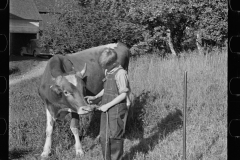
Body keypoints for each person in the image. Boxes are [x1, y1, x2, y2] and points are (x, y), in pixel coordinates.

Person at [85, 48, 130, 160]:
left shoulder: (121, 74)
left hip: (117, 108)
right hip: (106, 107)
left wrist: (107, 105)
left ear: (114, 63)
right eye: (103, 66)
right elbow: (106, 88)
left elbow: (123, 95)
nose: (104, 68)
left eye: (106, 66)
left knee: (115, 136)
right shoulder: (108, 71)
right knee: (104, 135)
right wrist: (96, 97)